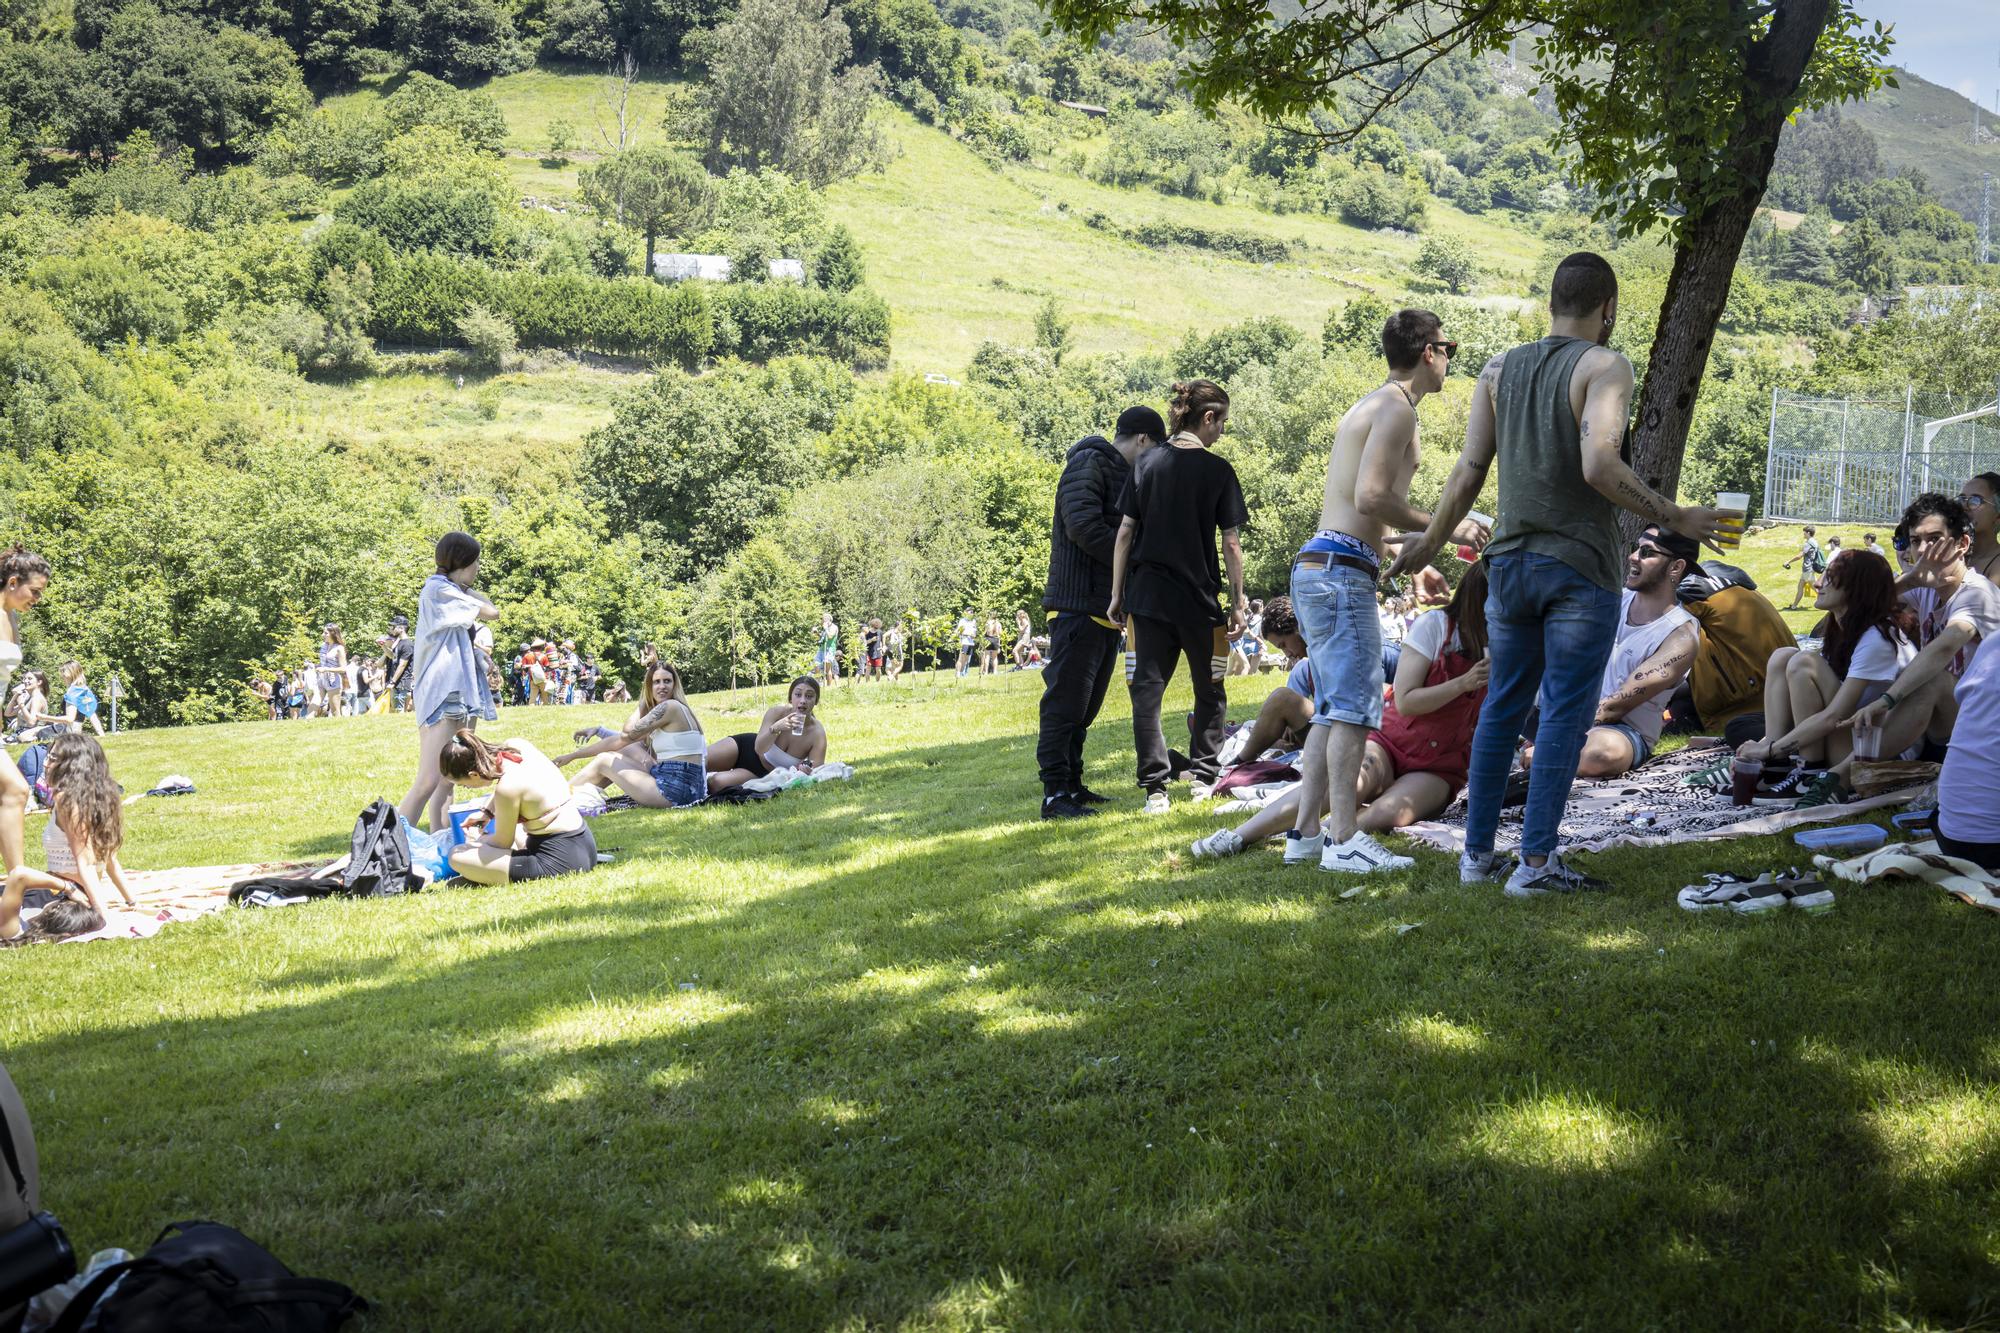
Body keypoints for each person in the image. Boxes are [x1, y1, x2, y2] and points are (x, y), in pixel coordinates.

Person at [1393, 251, 1737, 896]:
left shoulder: (1499, 368)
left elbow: (1468, 471)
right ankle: (1536, 865)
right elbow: (1600, 466)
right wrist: (1676, 515)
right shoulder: (1605, 364)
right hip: (1577, 566)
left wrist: (1431, 541)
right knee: (1563, 718)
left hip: (1509, 567)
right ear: (1609, 308)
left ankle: (1474, 860)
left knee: (1501, 706)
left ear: (1552, 302)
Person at [1285, 310, 1489, 875]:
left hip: (1327, 563)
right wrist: (1444, 526)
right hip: (1340, 570)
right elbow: (1371, 496)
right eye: (1449, 346)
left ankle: (1304, 835)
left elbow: (1359, 511)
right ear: (1429, 350)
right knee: (1352, 708)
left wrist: (1412, 555)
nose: (1451, 356)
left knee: (1331, 709)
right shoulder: (1397, 407)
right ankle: (1344, 840)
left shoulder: (1377, 403)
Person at [1194, 562, 1492, 857]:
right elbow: (1405, 700)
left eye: (1285, 645)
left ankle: (1327, 837)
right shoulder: (1436, 627)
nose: (1287, 653)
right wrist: (1463, 684)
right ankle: (1238, 836)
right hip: (1390, 741)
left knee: (1385, 815)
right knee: (1348, 786)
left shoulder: (1505, 646)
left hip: (1440, 765)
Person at [1109, 381, 1249, 814]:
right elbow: (1230, 544)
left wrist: (1117, 595)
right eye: (1222, 421)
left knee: (1146, 695)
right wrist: (1239, 601)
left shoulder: (1146, 463)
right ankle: (1205, 777)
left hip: (1147, 599)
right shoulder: (1219, 471)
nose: (1223, 431)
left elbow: (1126, 533)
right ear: (1207, 418)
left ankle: (1155, 790)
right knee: (1211, 689)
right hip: (1200, 602)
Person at [1828, 493, 2000, 804]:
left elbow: (1944, 648)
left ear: (1962, 544)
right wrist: (1910, 580)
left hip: (1982, 727)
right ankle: (1808, 760)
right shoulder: (1927, 589)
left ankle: (1838, 777)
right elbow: (1856, 609)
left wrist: (1887, 700)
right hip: (1942, 726)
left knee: (1931, 677)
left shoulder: (1977, 594)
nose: (1922, 550)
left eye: (1934, 539)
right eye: (1915, 540)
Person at [1037, 406, 1166, 818]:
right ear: (1143, 438)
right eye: (1155, 449)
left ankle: (1073, 785)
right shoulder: (1088, 461)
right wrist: (1136, 553)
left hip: (1102, 610)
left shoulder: (1125, 475)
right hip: (1075, 606)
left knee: (1084, 709)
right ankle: (1054, 794)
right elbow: (1083, 526)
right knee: (1064, 705)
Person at [1733, 548, 1913, 799]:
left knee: (1804, 663)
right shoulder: (1843, 628)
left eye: (1829, 577)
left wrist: (1771, 749)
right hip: (1851, 736)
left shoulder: (1878, 638)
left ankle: (1809, 772)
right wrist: (1765, 747)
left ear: (1856, 588)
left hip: (1870, 754)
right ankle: (1776, 767)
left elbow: (1833, 717)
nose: (1817, 583)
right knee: (1783, 656)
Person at [1541, 526, 1699, 780]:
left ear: (1676, 567)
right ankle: (1550, 752)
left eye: (1647, 552)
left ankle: (1545, 754)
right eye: (1636, 548)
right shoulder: (1612, 600)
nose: (1633, 556)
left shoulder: (1681, 635)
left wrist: (1551, 738)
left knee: (1601, 754)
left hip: (1620, 732)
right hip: (1565, 712)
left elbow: (1614, 708)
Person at [398, 532, 502, 834]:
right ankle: (386, 847)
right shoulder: (439, 590)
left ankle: (442, 844)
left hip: (455, 691)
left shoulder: (450, 589)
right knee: (429, 779)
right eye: (476, 561)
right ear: (464, 561)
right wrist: (465, 588)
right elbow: (492, 611)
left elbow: (487, 606)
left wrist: (464, 587)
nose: (479, 566)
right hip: (442, 694)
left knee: (448, 779)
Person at [2, 732, 136, 942]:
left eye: (53, 759)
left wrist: (104, 917)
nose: (45, 763)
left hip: (60, 896)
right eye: (48, 756)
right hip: (65, 892)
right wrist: (132, 902)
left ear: (73, 765)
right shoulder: (103, 797)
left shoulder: (67, 801)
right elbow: (110, 861)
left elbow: (87, 863)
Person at [438, 732, 598, 885]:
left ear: (474, 774)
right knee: (516, 833)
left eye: (463, 785)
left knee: (457, 855)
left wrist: (475, 839)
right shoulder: (517, 747)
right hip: (584, 845)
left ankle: (487, 876)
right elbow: (519, 786)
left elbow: (502, 844)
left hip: (558, 863)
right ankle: (489, 873)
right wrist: (486, 813)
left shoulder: (507, 788)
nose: (467, 787)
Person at [554, 660, 708, 809]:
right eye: (656, 682)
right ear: (650, 685)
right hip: (684, 786)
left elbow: (627, 732)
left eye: (667, 681)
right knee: (613, 757)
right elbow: (622, 741)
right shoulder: (677, 709)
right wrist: (583, 747)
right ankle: (570, 799)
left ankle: (557, 800)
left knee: (604, 761)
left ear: (674, 685)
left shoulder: (670, 707)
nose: (662, 686)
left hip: (675, 792)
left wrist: (644, 701)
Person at [0, 548, 54, 897]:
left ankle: (17, 879)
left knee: (15, 791)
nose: (37, 599)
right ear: (13, 581)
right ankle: (17, 879)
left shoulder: (12, 617)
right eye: (34, 591)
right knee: (16, 790)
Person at [706, 676, 828, 794]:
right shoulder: (776, 713)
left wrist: (805, 769)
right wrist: (775, 728)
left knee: (715, 783)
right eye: (798, 694)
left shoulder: (817, 734)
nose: (803, 700)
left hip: (763, 773)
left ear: (816, 701)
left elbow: (815, 770)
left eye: (809, 696)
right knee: (700, 761)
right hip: (745, 748)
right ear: (790, 698)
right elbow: (759, 748)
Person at [1962, 472, 2000, 584]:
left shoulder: (1997, 565)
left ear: (1998, 515)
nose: (1964, 506)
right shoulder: (1951, 554)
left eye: (1975, 500)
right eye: (1962, 499)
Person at [1783, 527, 1825, 610]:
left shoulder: (1809, 543)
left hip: (1808, 569)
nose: (1803, 534)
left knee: (1816, 589)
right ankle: (1794, 606)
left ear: (1808, 533)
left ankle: (1827, 604)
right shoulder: (1814, 541)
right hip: (1810, 568)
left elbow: (1799, 556)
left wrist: (1788, 561)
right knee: (1800, 587)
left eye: (1804, 532)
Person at [314, 624, 347, 718]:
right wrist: (316, 666)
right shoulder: (323, 646)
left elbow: (343, 669)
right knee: (311, 709)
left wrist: (326, 669)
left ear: (333, 634)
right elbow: (324, 663)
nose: (322, 635)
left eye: (325, 633)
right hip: (321, 679)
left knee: (335, 712)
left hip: (333, 681)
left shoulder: (339, 648)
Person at [383, 614, 415, 711]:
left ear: (401, 628)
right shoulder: (399, 643)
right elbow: (393, 657)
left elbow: (402, 665)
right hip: (397, 683)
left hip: (402, 683)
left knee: (399, 711)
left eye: (394, 627)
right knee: (395, 711)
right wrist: (383, 646)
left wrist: (392, 682)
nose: (392, 629)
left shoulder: (407, 644)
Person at [816, 613, 840, 687]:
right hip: (821, 649)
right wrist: (816, 633)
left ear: (827, 620)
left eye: (822, 620)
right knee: (816, 665)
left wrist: (826, 628)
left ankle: (829, 686)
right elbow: (823, 638)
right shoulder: (824, 627)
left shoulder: (834, 627)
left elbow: (830, 636)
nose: (821, 621)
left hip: (829, 649)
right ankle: (819, 684)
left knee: (827, 669)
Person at [955, 611, 977, 677]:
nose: (971, 613)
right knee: (961, 658)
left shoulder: (974, 621)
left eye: (972, 612)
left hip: (971, 643)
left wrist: (974, 635)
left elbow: (975, 632)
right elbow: (958, 631)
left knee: (967, 660)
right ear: (966, 613)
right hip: (964, 641)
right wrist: (967, 634)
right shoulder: (962, 621)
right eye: (970, 612)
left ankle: (963, 673)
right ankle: (958, 673)